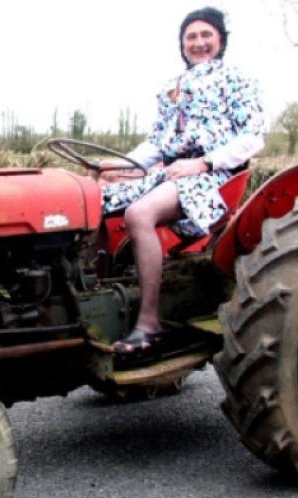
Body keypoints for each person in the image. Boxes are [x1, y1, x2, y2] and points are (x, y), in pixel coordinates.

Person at [99, 7, 265, 356]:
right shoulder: (172, 87)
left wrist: (203, 162)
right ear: (182, 44)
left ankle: (148, 325)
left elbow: (252, 138)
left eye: (207, 35)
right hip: (171, 172)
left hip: (212, 176)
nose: (199, 42)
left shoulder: (237, 78)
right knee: (94, 200)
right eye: (192, 37)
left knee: (139, 214)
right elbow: (157, 143)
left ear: (220, 40)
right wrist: (119, 164)